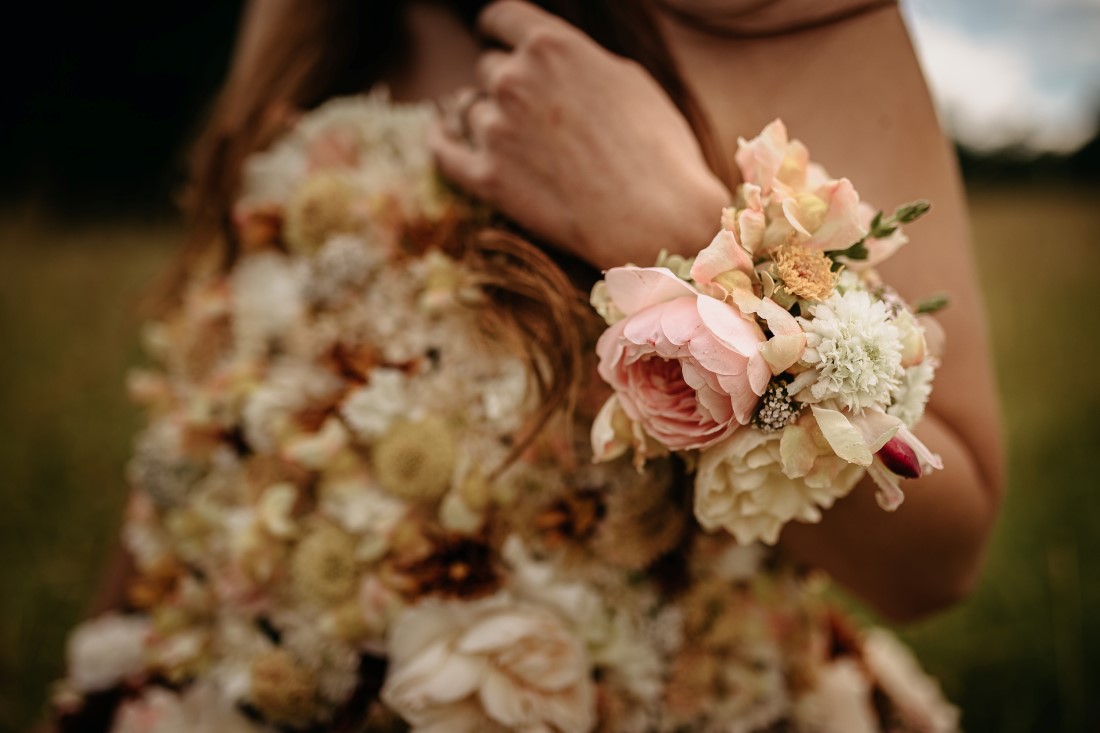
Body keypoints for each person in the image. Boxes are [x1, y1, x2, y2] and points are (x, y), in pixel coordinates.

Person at [58, 0, 1003, 730]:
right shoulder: (311, 18)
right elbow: (215, 417)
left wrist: (672, 228)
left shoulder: (791, 20)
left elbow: (936, 561)